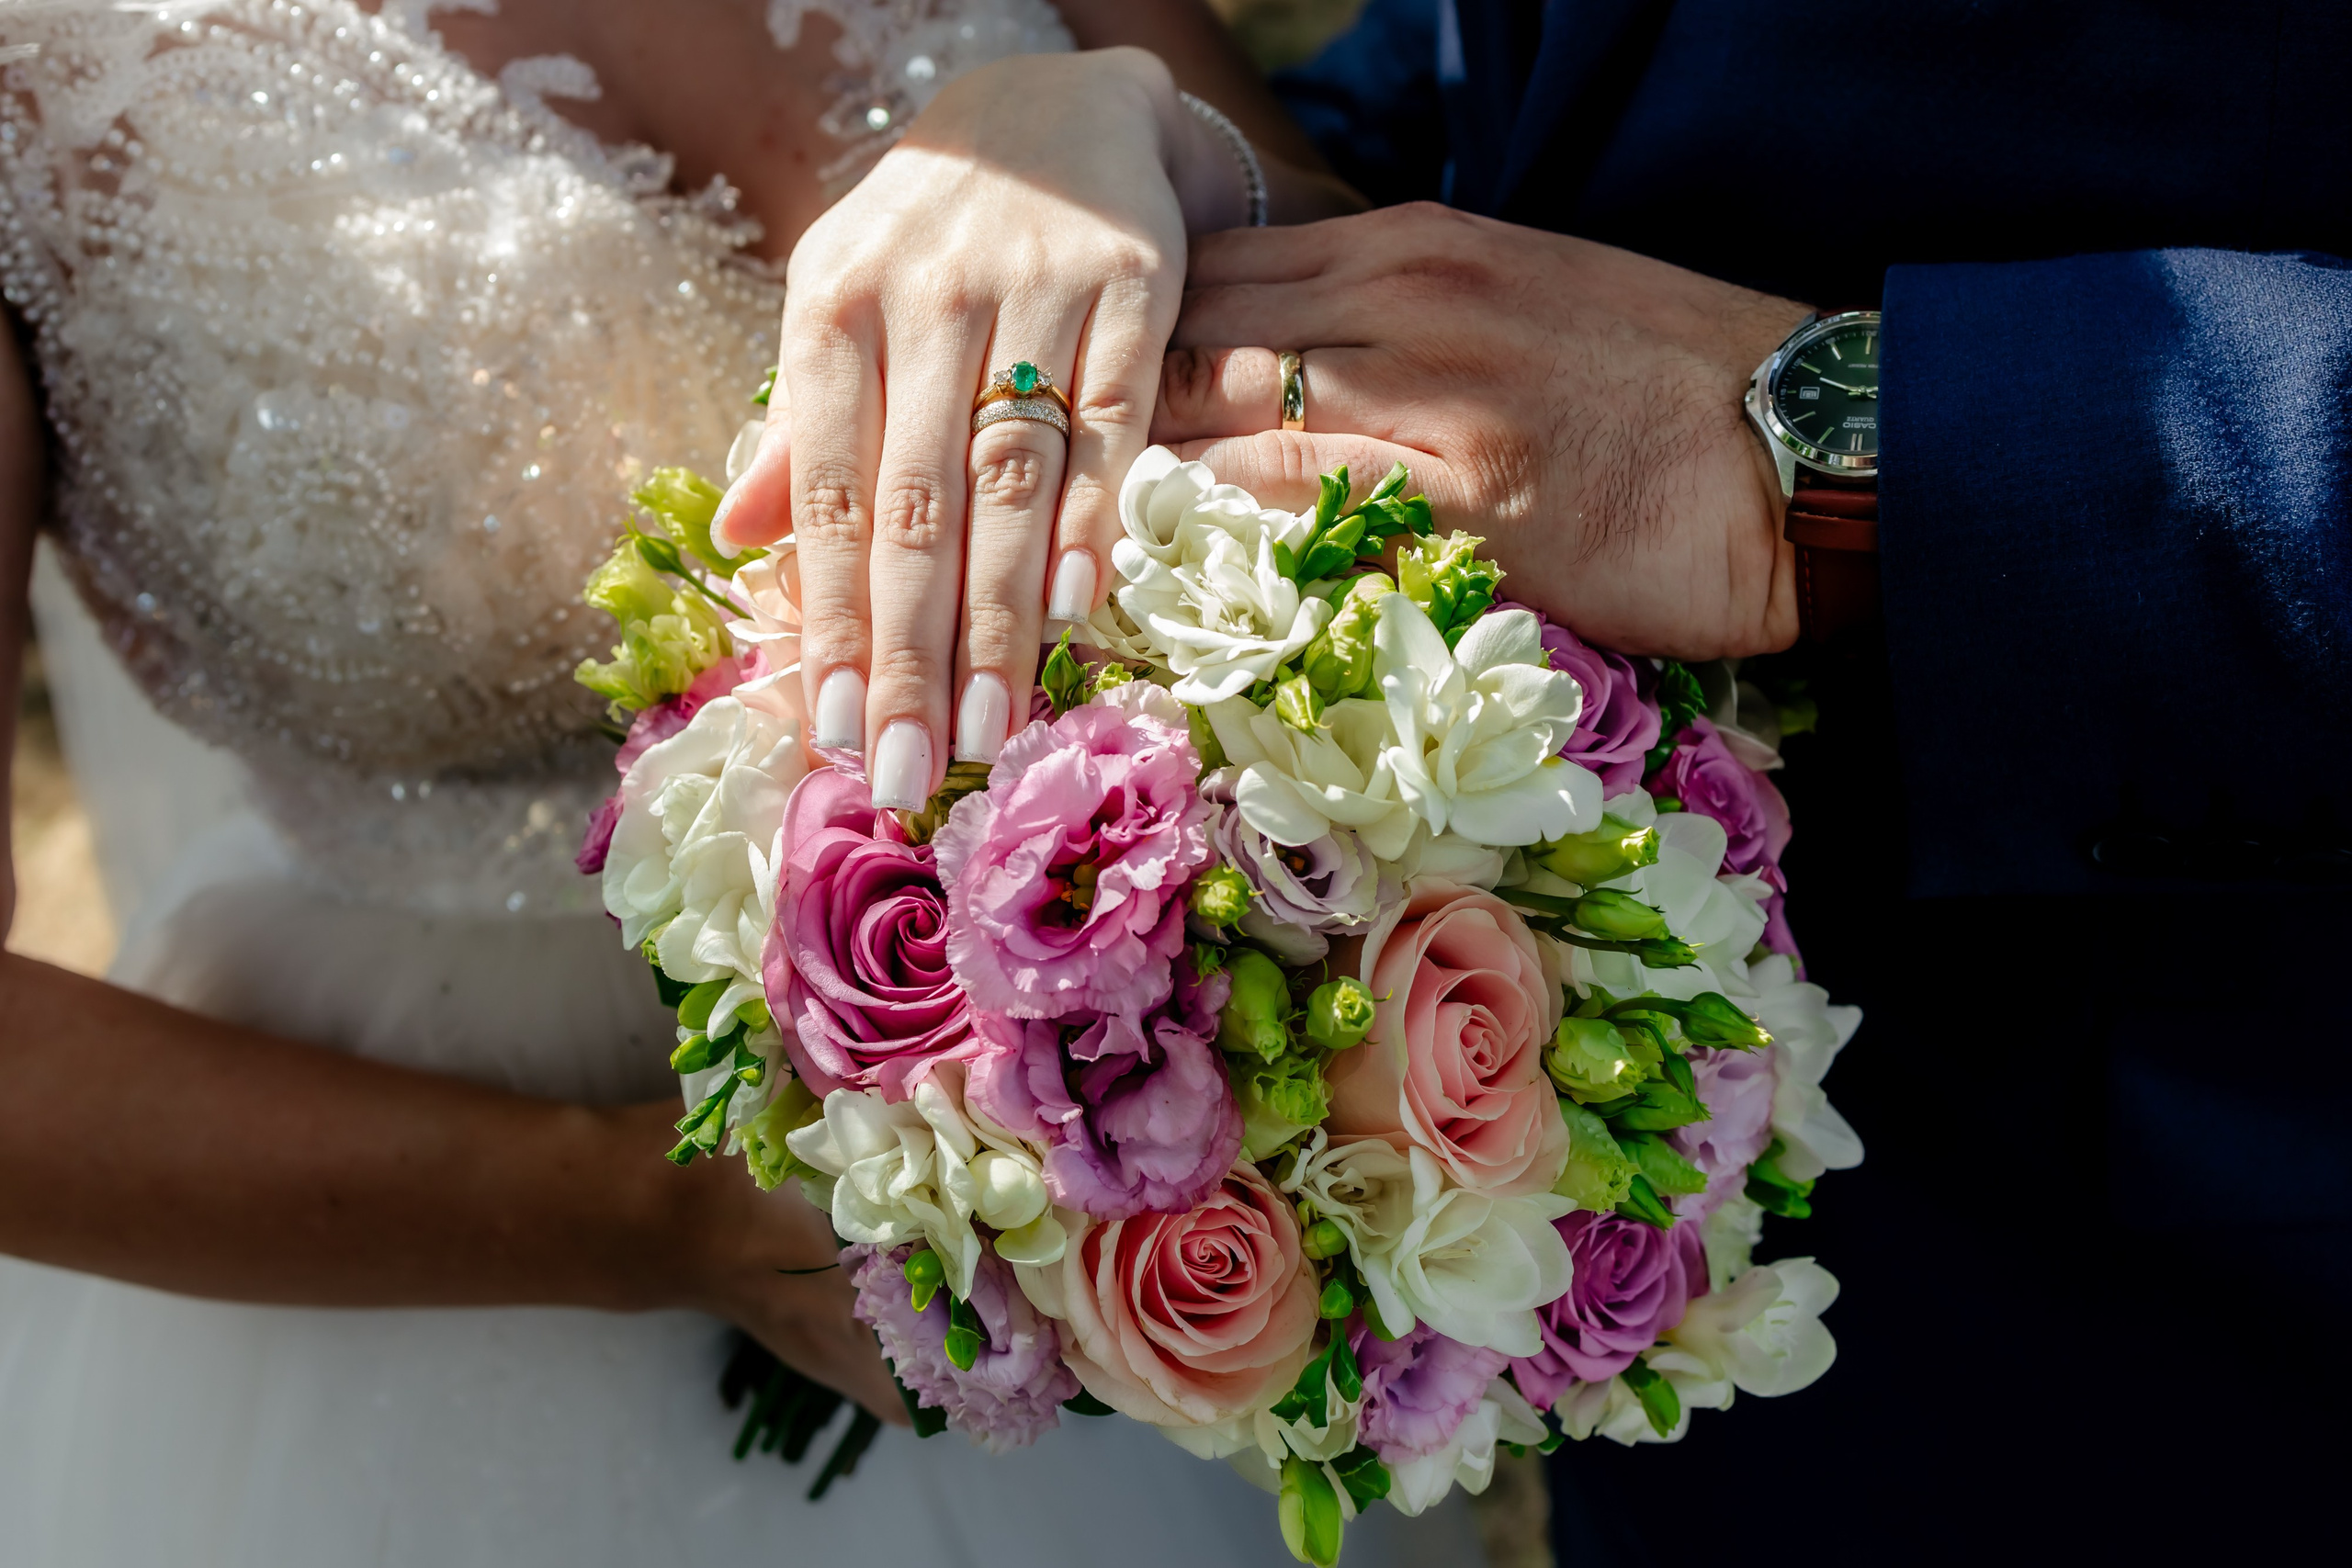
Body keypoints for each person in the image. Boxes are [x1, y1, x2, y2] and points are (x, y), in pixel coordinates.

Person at [752, 0, 2352, 1559]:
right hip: (1637, 1351)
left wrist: (1844, 451)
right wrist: (1171, 152)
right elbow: (1583, 107)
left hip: (2196, 1328)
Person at [0, 3, 1485, 1564]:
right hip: (438, 1241)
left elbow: (1363, 273)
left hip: (1150, 1097)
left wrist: (1165, 148)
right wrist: (657, 1214)